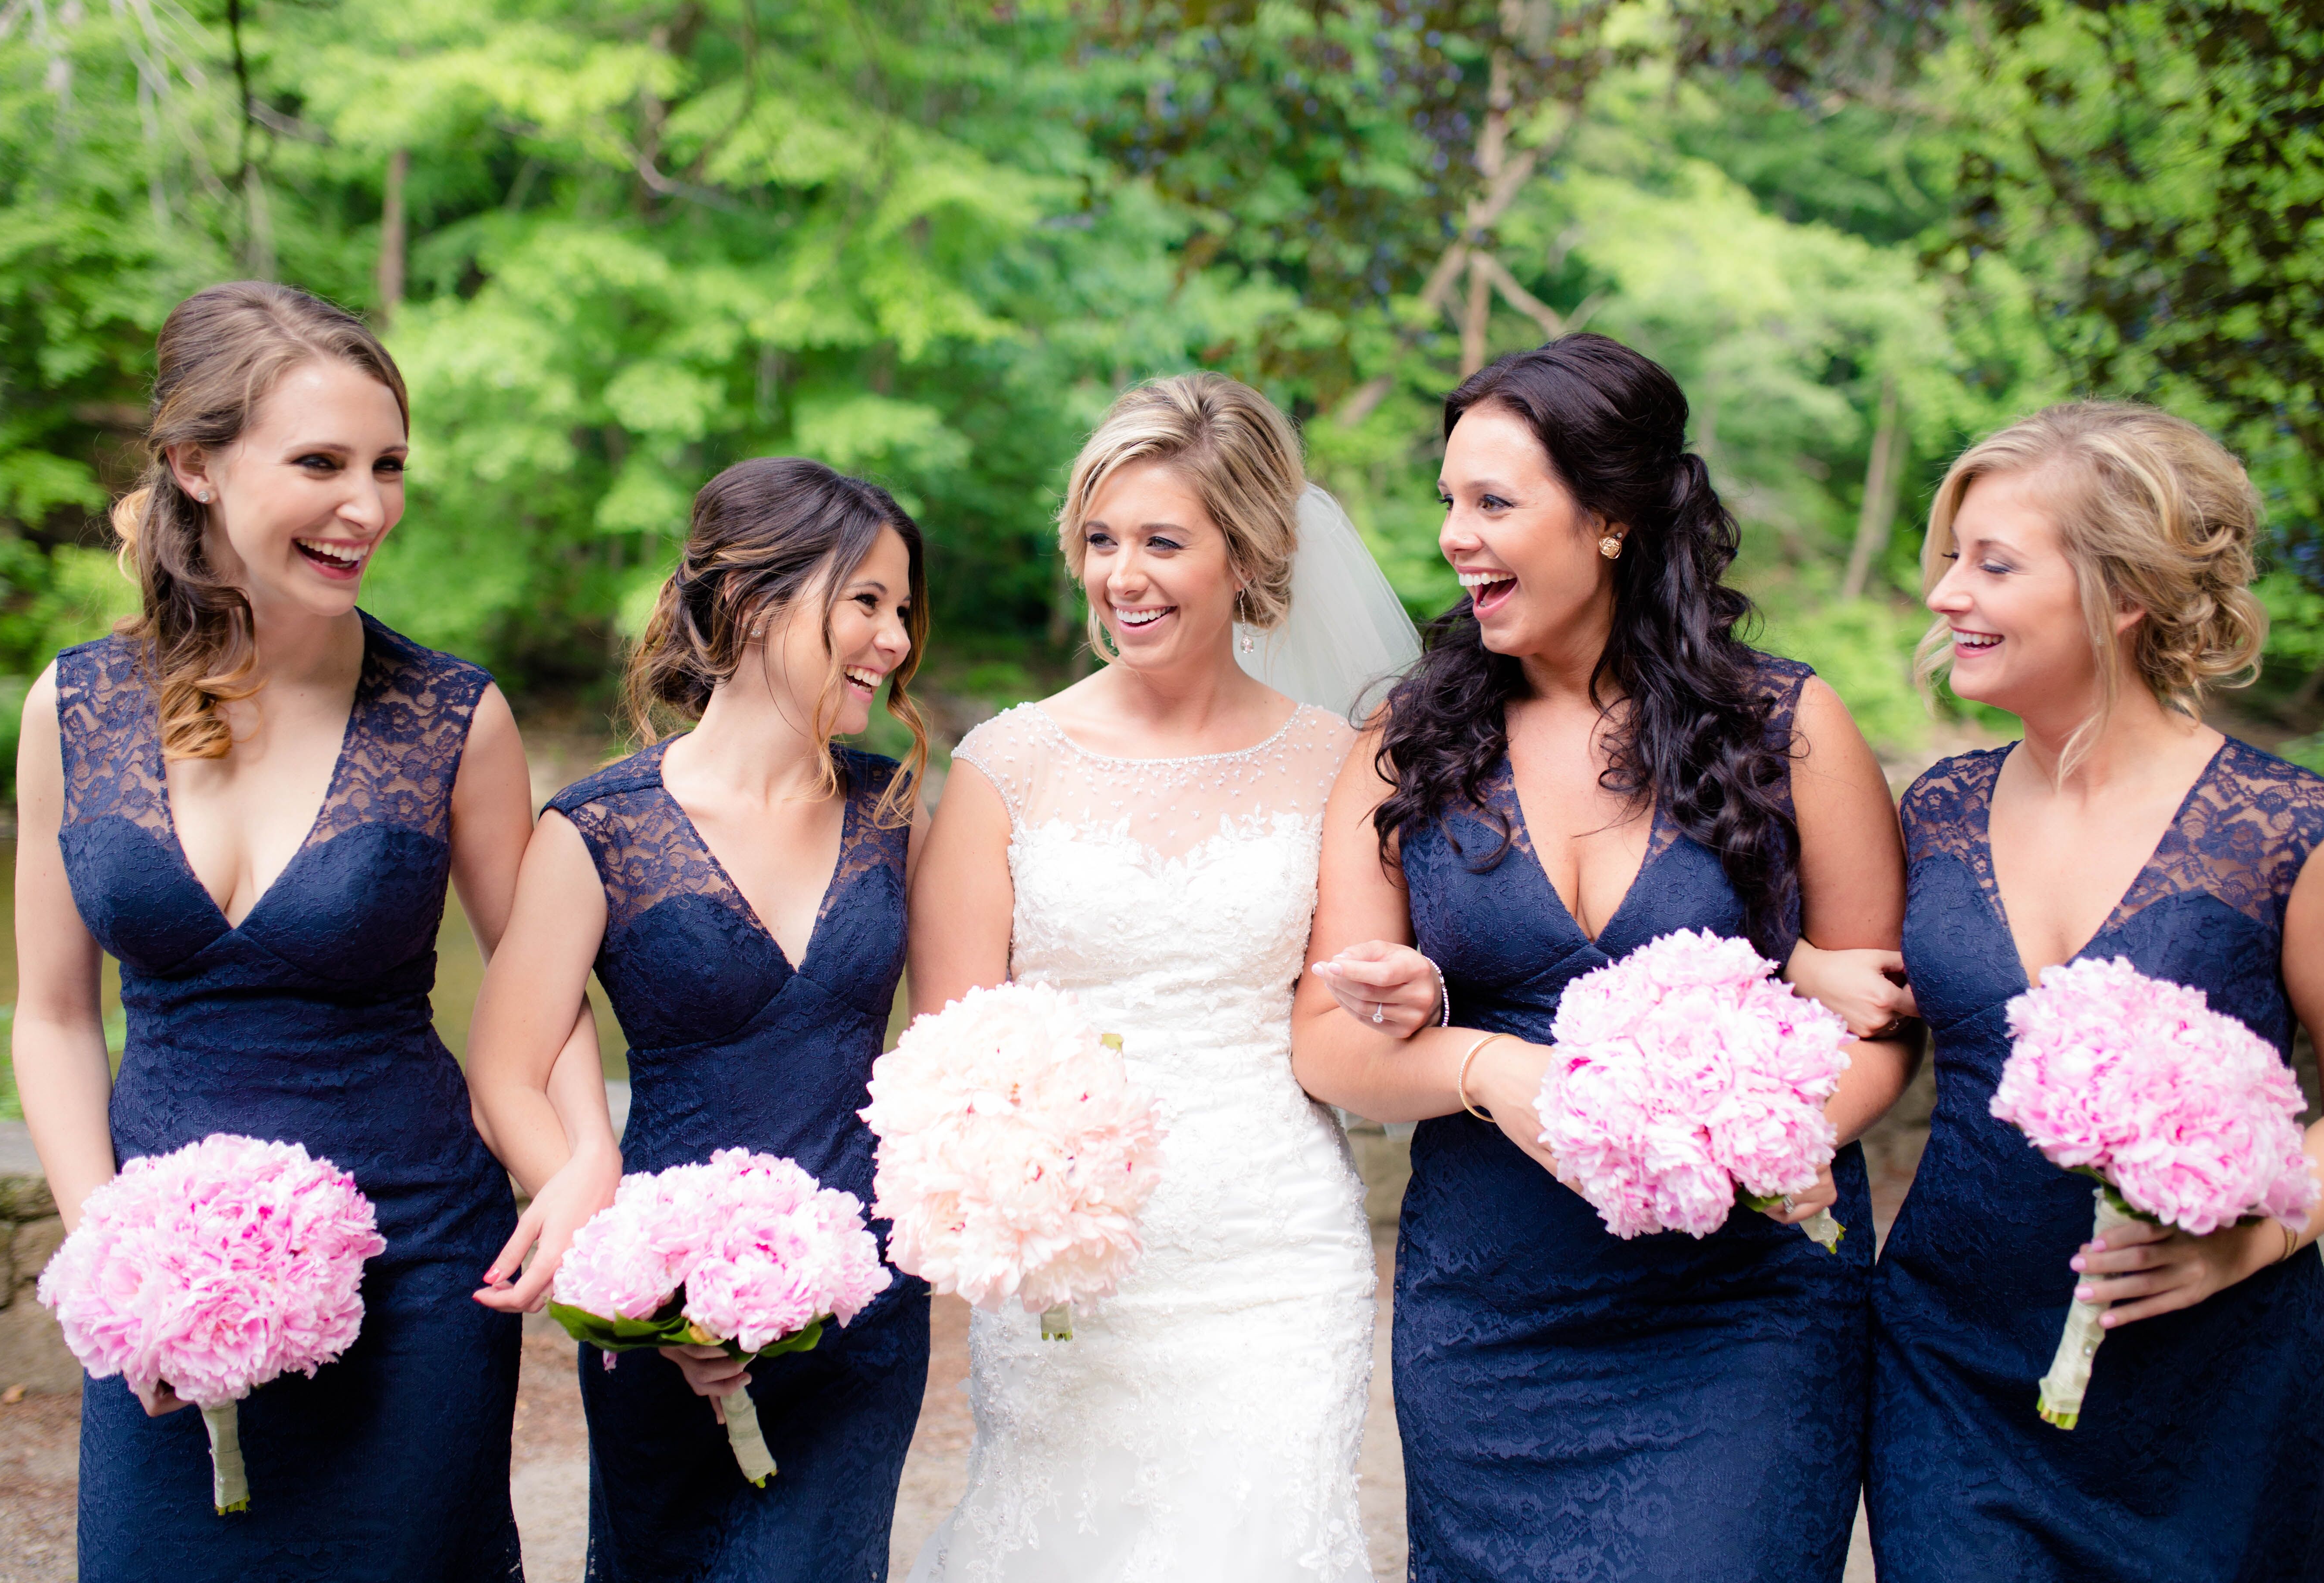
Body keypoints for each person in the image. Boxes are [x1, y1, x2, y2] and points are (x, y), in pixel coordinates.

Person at [1290, 333, 1913, 1583]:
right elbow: (1326, 1039)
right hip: (1494, 1318)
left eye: (1495, 502)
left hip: (1740, 1312)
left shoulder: (1789, 728)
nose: (1457, 536)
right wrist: (1479, 1066)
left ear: (1614, 519)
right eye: (1448, 503)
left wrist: (1751, 1155)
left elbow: (1880, 1021)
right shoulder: (1402, 741)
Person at [10, 281, 565, 1580]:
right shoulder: (74, 709)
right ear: (196, 467)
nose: (366, 506)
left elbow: (539, 1006)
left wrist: (571, 1174)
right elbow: (48, 1016)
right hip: (162, 1290)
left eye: (388, 466)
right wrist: (116, 1261)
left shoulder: (454, 718)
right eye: (320, 462)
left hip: (421, 1272)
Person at [1801, 404, 2324, 1581]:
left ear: (2121, 593)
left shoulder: (2281, 832)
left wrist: (2254, 1244)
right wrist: (1803, 965)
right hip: (1950, 1366)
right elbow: (1862, 997)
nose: (1944, 597)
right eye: (1950, 561)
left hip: (2211, 1389)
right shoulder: (1935, 808)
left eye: (1993, 565)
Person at [907, 372, 1413, 1582]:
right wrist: (1017, 1204)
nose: (1120, 576)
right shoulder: (1003, 766)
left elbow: (1348, 1014)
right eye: (1100, 539)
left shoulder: (1339, 764)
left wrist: (1420, 1001)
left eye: (1162, 542)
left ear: (1247, 554)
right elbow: (951, 1057)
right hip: (1071, 1255)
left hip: (1272, 1256)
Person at [465, 456, 933, 1581]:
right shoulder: (597, 831)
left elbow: (960, 1040)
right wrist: (624, 1267)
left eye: (904, 609)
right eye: (865, 602)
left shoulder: (900, 815)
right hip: (659, 1318)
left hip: (861, 1310)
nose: (896, 640)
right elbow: (506, 1071)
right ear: (753, 601)